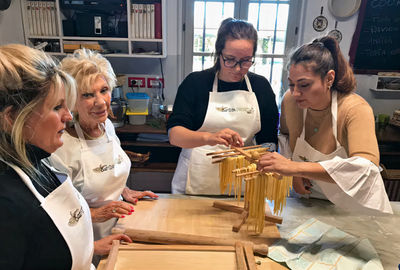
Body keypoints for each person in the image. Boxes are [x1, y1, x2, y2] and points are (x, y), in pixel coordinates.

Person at [0, 44, 131, 270]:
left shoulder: (40, 164)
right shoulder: (8, 202)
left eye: (104, 90)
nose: (68, 115)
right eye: (57, 107)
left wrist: (91, 247)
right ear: (12, 118)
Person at [257, 36, 392, 214]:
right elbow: (286, 137)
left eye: (304, 85)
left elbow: (365, 168)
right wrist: (295, 173)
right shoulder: (290, 101)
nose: (296, 93)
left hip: (355, 208)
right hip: (310, 201)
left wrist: (296, 167)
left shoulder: (355, 109)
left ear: (329, 78)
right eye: (291, 84)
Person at [49, 48, 158, 242]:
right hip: (86, 238)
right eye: (88, 95)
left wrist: (124, 191)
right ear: (72, 101)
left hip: (119, 229)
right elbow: (56, 213)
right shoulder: (61, 147)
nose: (100, 102)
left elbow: (109, 170)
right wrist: (97, 214)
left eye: (104, 90)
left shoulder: (106, 126)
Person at [167, 18, 279, 195]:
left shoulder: (261, 87)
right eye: (230, 60)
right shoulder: (196, 83)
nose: (237, 69)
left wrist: (266, 158)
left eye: (246, 61)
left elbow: (269, 140)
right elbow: (175, 136)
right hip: (196, 180)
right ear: (219, 53)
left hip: (242, 181)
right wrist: (208, 137)